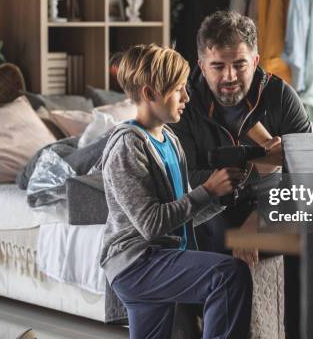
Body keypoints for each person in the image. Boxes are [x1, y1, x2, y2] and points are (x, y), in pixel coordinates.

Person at [100, 44, 253, 339]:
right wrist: (207, 189)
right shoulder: (127, 146)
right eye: (178, 90)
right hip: (138, 263)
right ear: (149, 94)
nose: (186, 97)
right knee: (228, 275)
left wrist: (220, 195)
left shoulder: (170, 140)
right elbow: (151, 224)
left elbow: (181, 215)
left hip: (157, 258)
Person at [169, 10, 312, 263]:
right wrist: (255, 167)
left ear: (255, 61)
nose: (229, 77)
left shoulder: (281, 97)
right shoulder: (183, 104)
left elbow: (310, 179)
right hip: (210, 208)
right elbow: (185, 181)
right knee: (210, 235)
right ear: (201, 66)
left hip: (269, 203)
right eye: (217, 66)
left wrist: (261, 216)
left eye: (239, 65)